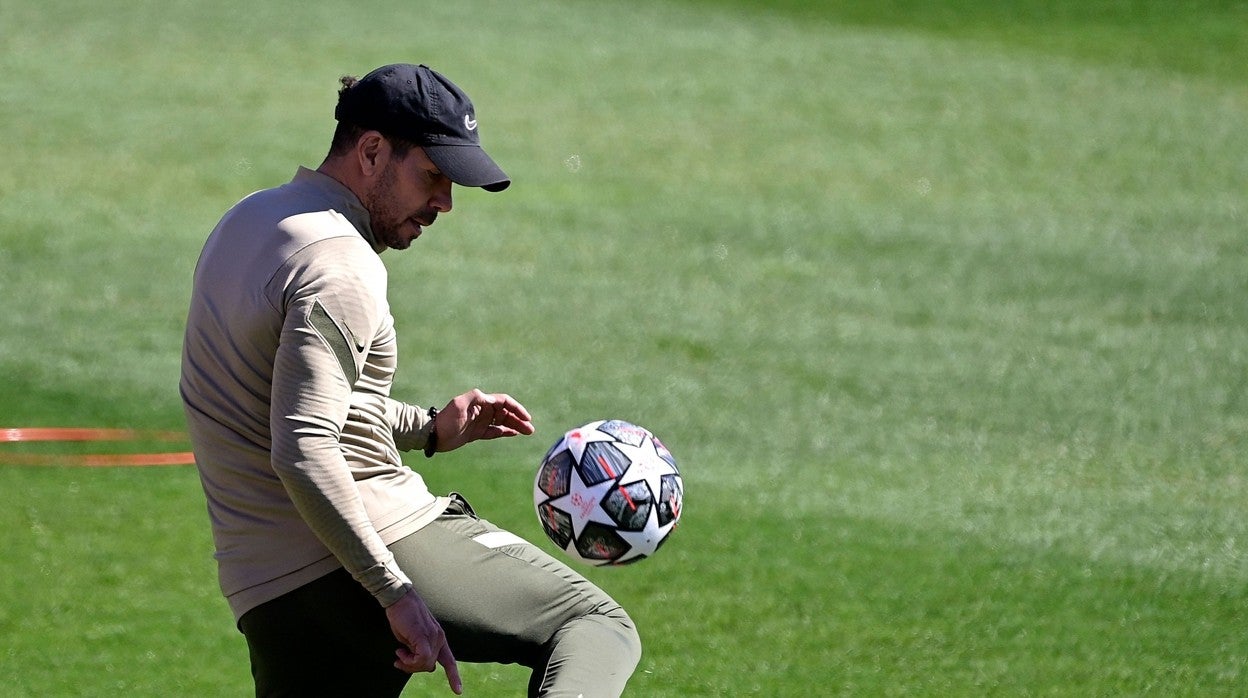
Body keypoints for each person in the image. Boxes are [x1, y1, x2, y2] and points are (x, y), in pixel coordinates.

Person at [179, 63, 641, 697]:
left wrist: (427, 427)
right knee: (595, 625)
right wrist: (392, 590)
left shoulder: (248, 222)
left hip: (269, 590)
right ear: (372, 151)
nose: (445, 203)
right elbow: (304, 448)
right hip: (367, 544)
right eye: (432, 176)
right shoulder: (341, 263)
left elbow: (283, 399)